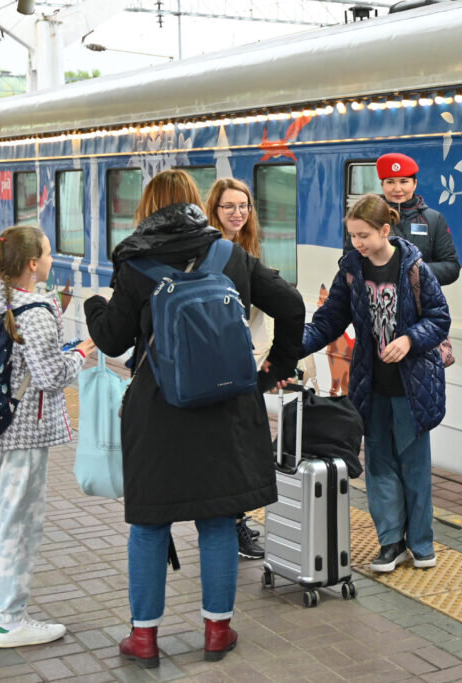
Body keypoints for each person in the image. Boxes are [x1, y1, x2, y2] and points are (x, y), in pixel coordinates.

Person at [84, 169, 303, 668]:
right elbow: (291, 305)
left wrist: (96, 304)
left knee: (149, 526)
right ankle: (217, 631)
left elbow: (114, 340)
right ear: (195, 206)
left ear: (148, 207)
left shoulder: (136, 263)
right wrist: (274, 369)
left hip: (158, 412)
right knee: (218, 522)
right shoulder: (229, 255)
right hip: (226, 407)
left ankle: (143, 640)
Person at [0, 225, 95, 648]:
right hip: (22, 434)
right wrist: (81, 353)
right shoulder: (36, 310)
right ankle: (11, 620)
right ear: (32, 264)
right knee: (18, 524)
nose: (52, 260)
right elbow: (51, 378)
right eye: (48, 254)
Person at [306, 193, 450, 573]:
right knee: (379, 465)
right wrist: (294, 345)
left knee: (414, 466)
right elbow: (329, 319)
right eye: (353, 236)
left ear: (385, 230)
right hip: (371, 384)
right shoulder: (352, 270)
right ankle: (391, 542)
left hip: (413, 385)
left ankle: (421, 543)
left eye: (364, 235)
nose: (357, 243)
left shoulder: (415, 268)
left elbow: (439, 318)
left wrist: (409, 339)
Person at [203, 177, 271, 561]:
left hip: (242, 359)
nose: (238, 213)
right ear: (214, 210)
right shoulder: (213, 251)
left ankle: (231, 519)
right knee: (230, 446)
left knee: (237, 444)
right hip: (218, 363)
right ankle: (230, 523)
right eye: (229, 206)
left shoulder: (246, 247)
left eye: (243, 206)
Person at [345, 152, 460, 287]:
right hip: (376, 301)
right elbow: (347, 262)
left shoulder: (434, 219)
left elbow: (451, 267)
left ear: (414, 184)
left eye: (404, 181)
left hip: (419, 304)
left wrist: (415, 271)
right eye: (390, 182)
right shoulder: (366, 217)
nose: (397, 188)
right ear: (382, 185)